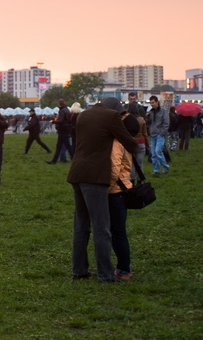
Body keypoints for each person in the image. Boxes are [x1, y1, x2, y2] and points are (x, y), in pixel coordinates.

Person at [67, 97, 138, 283]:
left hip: (77, 172)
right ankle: (105, 273)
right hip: (96, 176)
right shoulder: (112, 116)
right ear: (115, 109)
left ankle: (79, 270)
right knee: (102, 228)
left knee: (81, 226)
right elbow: (129, 142)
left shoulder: (83, 115)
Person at [108, 113, 141, 280]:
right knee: (119, 231)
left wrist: (104, 188)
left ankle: (123, 269)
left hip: (115, 191)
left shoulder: (117, 143)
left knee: (116, 232)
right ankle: (125, 266)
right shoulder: (129, 143)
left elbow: (113, 169)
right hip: (125, 188)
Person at [47, 99, 74, 164]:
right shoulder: (67, 110)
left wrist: (53, 121)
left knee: (65, 146)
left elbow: (61, 121)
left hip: (62, 130)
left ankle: (54, 160)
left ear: (59, 103)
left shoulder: (62, 111)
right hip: (66, 129)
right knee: (61, 146)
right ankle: (54, 160)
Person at [147, 96, 169, 175]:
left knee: (158, 151)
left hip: (160, 134)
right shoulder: (150, 112)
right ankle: (156, 170)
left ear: (157, 102)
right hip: (152, 134)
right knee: (153, 154)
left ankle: (165, 167)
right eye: (150, 103)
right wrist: (147, 118)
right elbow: (149, 123)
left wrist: (162, 133)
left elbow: (166, 123)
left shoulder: (163, 111)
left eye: (153, 102)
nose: (152, 104)